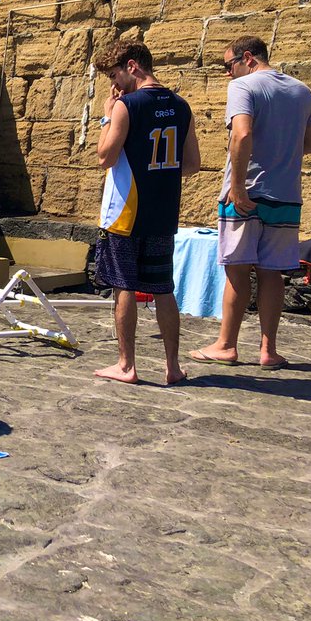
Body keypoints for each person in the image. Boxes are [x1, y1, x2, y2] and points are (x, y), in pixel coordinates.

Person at [191, 36, 311, 370]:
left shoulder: (243, 86)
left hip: (247, 192)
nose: (227, 74)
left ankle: (226, 345)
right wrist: (281, 147)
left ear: (247, 58)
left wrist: (237, 187)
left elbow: (242, 134)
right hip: (286, 195)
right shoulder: (303, 91)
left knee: (237, 271)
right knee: (272, 273)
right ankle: (269, 351)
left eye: (228, 65)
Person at [93, 39, 201, 386]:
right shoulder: (181, 106)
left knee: (124, 285)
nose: (115, 83)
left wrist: (107, 115)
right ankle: (173, 367)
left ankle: (127, 365)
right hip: (163, 211)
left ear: (132, 66)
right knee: (163, 288)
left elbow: (105, 157)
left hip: (126, 213)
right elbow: (192, 164)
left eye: (115, 75)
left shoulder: (127, 105)